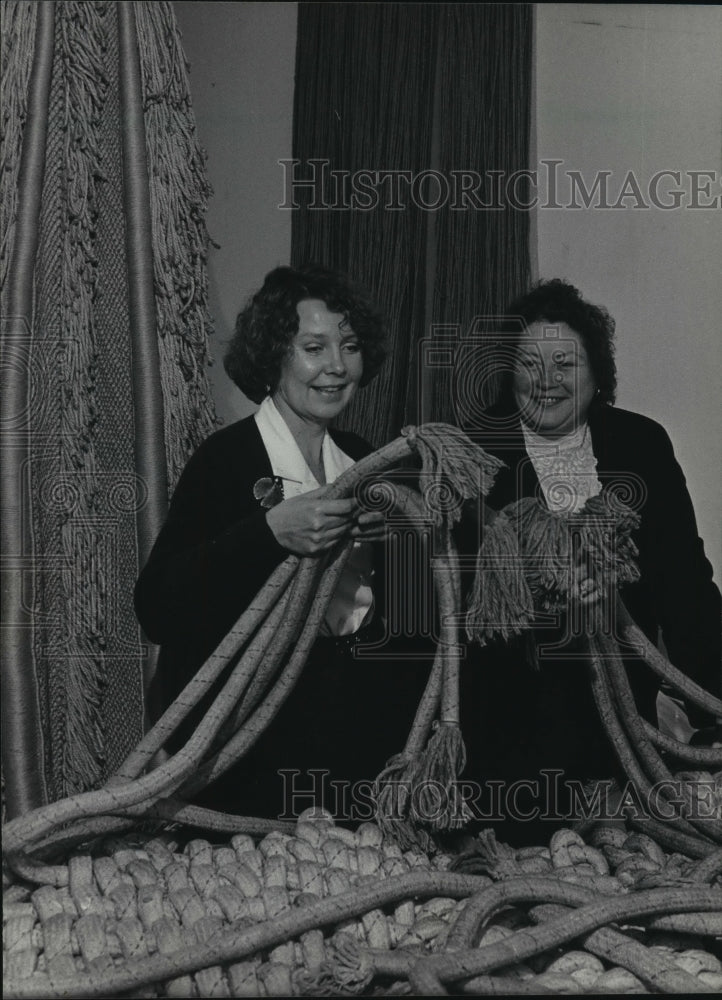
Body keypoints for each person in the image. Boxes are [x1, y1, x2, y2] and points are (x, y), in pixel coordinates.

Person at [135, 264, 428, 821]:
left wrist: (396, 543)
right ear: (274, 357)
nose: (337, 367)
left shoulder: (367, 459)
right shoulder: (224, 460)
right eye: (314, 348)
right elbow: (157, 606)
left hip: (351, 753)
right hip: (248, 760)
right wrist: (268, 533)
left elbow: (395, 619)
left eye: (350, 346)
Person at [456, 278, 721, 845]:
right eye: (529, 362)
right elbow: (455, 598)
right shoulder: (470, 451)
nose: (546, 380)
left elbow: (686, 585)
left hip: (625, 725)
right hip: (509, 722)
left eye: (565, 362)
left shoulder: (642, 445)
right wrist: (541, 589)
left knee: (638, 853)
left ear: (597, 373)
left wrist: (712, 705)